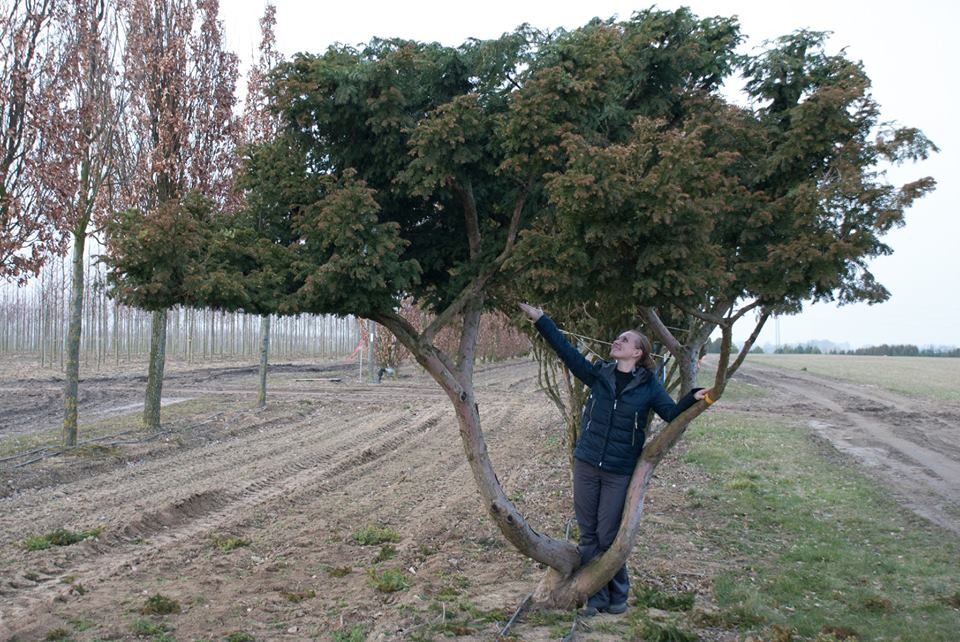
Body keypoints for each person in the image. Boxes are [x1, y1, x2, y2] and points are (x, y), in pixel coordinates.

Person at [518, 302, 713, 616]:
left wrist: (693, 397)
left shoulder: (649, 386)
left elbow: (671, 414)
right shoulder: (600, 374)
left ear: (637, 353)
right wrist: (543, 320)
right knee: (589, 532)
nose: (616, 342)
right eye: (618, 339)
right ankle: (595, 596)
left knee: (609, 535)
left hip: (618, 470)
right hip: (586, 462)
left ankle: (618, 596)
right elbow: (566, 352)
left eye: (624, 340)